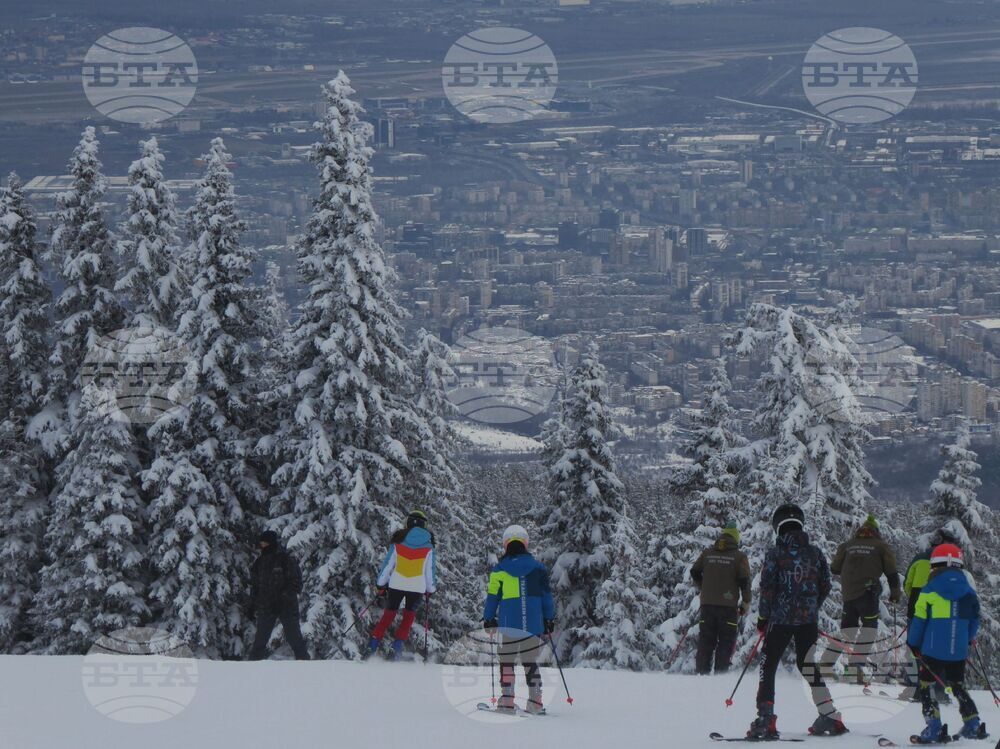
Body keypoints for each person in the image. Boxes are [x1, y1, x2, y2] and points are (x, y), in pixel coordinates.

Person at [749, 503, 847, 740]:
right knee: (807, 665)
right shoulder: (815, 553)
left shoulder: (775, 554)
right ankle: (829, 714)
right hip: (808, 620)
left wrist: (763, 618)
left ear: (778, 527)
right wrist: (811, 605)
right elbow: (825, 584)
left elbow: (767, 589)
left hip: (779, 620)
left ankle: (765, 719)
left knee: (768, 665)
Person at [907, 543, 984, 743]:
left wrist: (913, 643)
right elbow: (975, 620)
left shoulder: (928, 590)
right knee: (957, 686)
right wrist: (966, 639)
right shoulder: (968, 592)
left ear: (934, 565)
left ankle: (933, 726)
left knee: (926, 686)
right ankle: (973, 723)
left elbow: (919, 620)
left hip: (932, 650)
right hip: (958, 650)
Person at [483, 525, 556, 715]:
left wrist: (489, 618)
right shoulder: (539, 569)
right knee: (530, 660)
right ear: (525, 543)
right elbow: (547, 597)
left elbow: (493, 597)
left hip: (508, 623)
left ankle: (506, 701)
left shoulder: (499, 569)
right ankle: (535, 701)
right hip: (533, 624)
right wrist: (549, 619)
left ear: (506, 544)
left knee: (506, 660)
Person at [830, 513, 901, 681]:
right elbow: (891, 572)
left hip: (848, 595)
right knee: (869, 630)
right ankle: (855, 668)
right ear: (876, 531)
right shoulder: (881, 546)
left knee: (847, 631)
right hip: (868, 594)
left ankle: (827, 662)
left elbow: (834, 568)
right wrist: (895, 594)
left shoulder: (847, 545)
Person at [370, 510, 436, 660]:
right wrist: (430, 589)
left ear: (408, 523)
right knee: (408, 618)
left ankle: (372, 647)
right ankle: (397, 649)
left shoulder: (398, 541)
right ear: (424, 525)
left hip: (396, 583)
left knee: (388, 615)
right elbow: (430, 572)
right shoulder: (429, 546)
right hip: (417, 587)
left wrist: (381, 584)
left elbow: (388, 565)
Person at [690, 520, 751, 674]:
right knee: (726, 642)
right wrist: (745, 602)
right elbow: (744, 580)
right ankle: (720, 676)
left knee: (706, 641)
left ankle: (700, 674)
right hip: (728, 608)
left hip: (707, 606)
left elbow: (694, 571)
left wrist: (703, 586)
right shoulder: (739, 557)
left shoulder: (707, 553)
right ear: (736, 538)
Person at [248, 530, 310, 660]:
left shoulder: (285, 559)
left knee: (294, 637)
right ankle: (251, 668)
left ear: (271, 543)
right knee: (260, 640)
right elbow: (255, 586)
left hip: (286, 605)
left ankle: (305, 664)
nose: (262, 546)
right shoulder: (259, 563)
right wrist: (252, 605)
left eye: (265, 543)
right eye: (261, 543)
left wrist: (284, 597)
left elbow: (296, 582)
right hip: (266, 606)